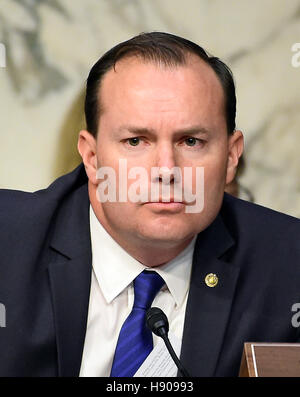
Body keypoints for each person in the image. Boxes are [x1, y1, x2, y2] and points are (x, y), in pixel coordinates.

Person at [0, 32, 299, 377]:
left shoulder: (289, 265)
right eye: (136, 141)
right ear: (92, 156)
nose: (166, 170)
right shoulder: (9, 246)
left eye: (191, 141)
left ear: (232, 157)